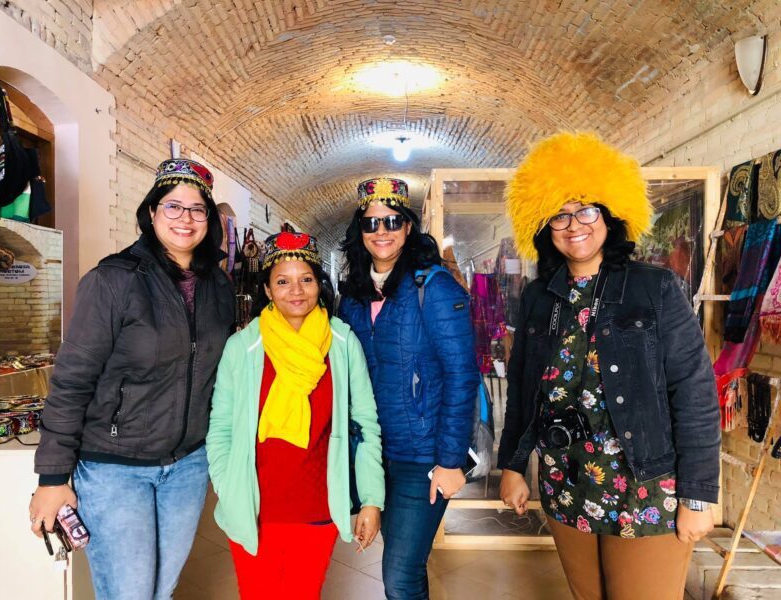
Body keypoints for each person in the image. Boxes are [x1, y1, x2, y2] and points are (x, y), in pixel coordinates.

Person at [498, 132, 720, 600]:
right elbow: (523, 390)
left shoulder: (655, 288)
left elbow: (695, 393)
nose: (573, 223)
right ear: (542, 224)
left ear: (609, 214)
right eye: (559, 213)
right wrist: (513, 467)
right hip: (565, 480)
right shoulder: (540, 298)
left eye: (586, 209)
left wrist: (698, 495)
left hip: (646, 485)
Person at [29, 158, 235, 599]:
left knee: (160, 591)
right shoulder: (113, 281)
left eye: (198, 208)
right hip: (114, 468)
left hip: (187, 466)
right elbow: (71, 381)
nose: (185, 217)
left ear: (210, 220)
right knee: (130, 593)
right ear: (152, 212)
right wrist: (52, 477)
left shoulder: (219, 286)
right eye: (173, 206)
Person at [207, 230, 385, 599]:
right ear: (268, 291)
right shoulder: (243, 346)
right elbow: (220, 427)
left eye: (306, 279)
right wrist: (227, 485)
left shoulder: (341, 342)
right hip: (255, 507)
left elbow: (366, 426)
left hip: (316, 508)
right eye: (283, 282)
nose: (296, 291)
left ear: (319, 284)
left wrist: (371, 498)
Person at [338, 178, 477, 599]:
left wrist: (450, 460)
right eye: (371, 222)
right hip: (375, 452)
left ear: (409, 225)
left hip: (423, 457)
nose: (382, 230)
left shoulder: (432, 287)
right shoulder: (354, 296)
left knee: (399, 574)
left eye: (393, 220)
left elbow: (461, 374)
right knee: (404, 566)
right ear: (359, 232)